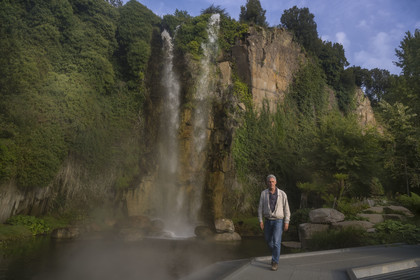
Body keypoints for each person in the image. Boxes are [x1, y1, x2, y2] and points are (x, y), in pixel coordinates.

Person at [258, 174, 290, 271]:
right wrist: (260, 220)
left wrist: (286, 221)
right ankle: (276, 254)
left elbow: (287, 209)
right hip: (268, 221)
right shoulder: (264, 194)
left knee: (276, 242)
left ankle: (275, 262)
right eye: (269, 182)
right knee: (268, 241)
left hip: (278, 221)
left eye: (272, 181)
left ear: (275, 182)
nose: (271, 183)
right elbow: (260, 208)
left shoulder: (282, 194)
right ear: (267, 183)